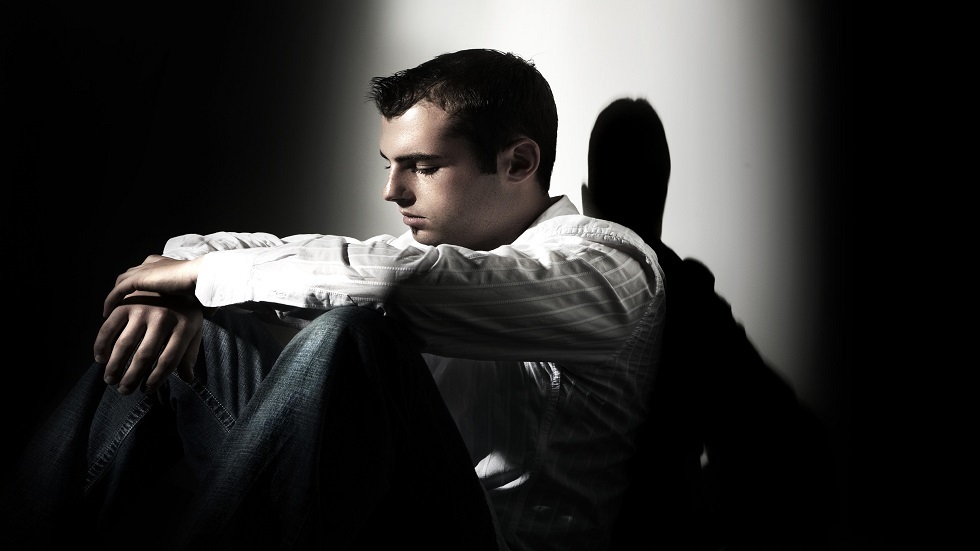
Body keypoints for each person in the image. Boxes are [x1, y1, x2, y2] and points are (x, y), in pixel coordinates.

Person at [1, 50, 666, 551]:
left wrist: (195, 274)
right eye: (389, 164)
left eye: (422, 167)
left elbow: (391, 284)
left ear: (519, 162)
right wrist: (175, 285)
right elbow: (269, 254)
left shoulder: (608, 264)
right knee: (189, 330)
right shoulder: (434, 257)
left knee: (352, 333)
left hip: (483, 540)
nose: (392, 191)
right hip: (369, 515)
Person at [582, 97, 838, 551]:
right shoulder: (692, 305)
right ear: (662, 195)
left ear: (586, 200)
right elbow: (798, 440)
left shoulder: (549, 293)